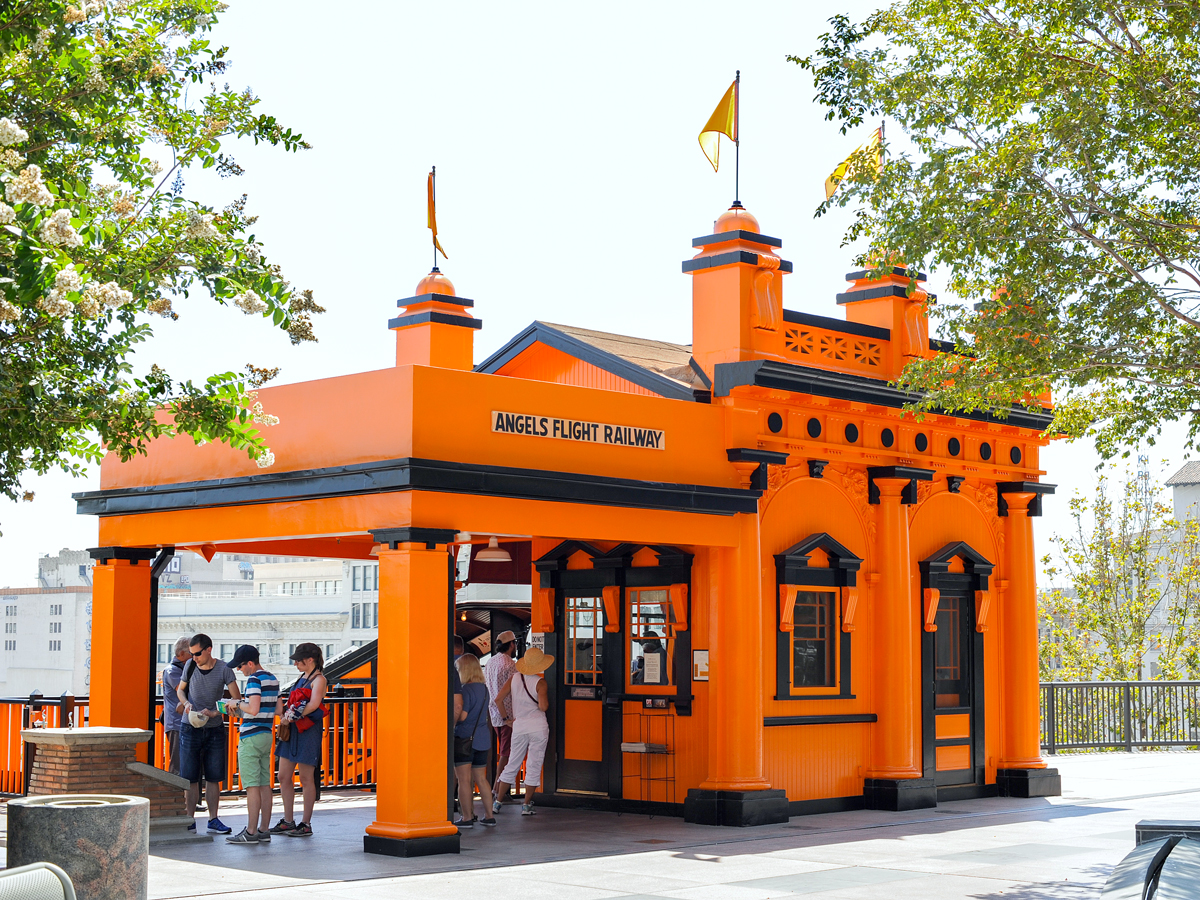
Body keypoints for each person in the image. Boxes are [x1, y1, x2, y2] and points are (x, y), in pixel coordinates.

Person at [176, 632, 240, 834]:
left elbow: (236, 700)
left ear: (209, 650)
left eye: (197, 653)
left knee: (214, 777)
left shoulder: (224, 669)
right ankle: (189, 819)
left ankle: (213, 819)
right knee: (190, 777)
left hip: (214, 729)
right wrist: (186, 703)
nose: (193, 657)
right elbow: (180, 690)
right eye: (191, 653)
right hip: (189, 727)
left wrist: (214, 712)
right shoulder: (190, 665)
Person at [270, 643, 327, 838]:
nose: (295, 664)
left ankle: (306, 822)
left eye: (298, 660)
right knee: (283, 776)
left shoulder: (319, 679)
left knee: (305, 777)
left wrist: (291, 716)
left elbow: (314, 704)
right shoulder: (302, 678)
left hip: (307, 731)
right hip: (293, 729)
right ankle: (288, 820)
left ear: (310, 659)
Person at [224, 645, 279, 844]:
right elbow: (278, 708)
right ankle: (264, 830)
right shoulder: (272, 678)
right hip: (266, 734)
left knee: (251, 786)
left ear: (250, 663)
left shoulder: (254, 679)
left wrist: (235, 703)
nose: (239, 670)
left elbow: (253, 708)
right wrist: (241, 709)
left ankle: (251, 831)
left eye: (240, 666)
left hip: (250, 736)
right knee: (265, 783)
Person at [493, 646, 552, 816]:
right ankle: (526, 805)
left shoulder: (514, 678)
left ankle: (497, 802)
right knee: (533, 764)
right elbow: (543, 706)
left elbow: (498, 699)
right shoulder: (541, 682)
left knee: (512, 763)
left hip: (519, 726)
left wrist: (506, 720)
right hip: (538, 728)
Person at [453, 654, 495, 828]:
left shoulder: (466, 690)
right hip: (482, 739)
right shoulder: (484, 689)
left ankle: (467, 818)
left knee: (464, 780)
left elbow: (462, 715)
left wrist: (452, 722)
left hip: (465, 739)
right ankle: (489, 816)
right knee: (481, 779)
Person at [484, 630, 518, 804]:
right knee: (506, 753)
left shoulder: (490, 662)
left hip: (494, 713)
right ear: (512, 644)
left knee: (502, 752)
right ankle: (499, 789)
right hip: (507, 715)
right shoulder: (510, 664)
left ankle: (498, 788)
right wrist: (507, 718)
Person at [161, 636, 190, 776]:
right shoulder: (173, 671)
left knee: (188, 765)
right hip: (177, 724)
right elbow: (183, 690)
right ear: (182, 654)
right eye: (192, 652)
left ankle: (188, 797)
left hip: (186, 723)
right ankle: (176, 796)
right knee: (178, 766)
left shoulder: (184, 669)